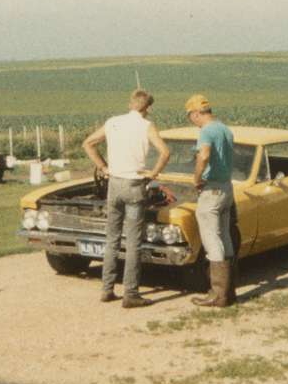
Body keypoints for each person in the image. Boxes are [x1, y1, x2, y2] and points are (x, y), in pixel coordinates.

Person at [82, 90, 170, 308]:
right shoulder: (147, 126)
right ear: (148, 107)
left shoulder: (113, 122)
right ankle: (131, 293)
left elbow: (88, 143)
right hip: (134, 187)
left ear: (130, 103)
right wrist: (154, 173)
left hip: (114, 185)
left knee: (111, 238)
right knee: (133, 242)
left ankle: (107, 288)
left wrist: (103, 167)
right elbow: (165, 152)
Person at [185, 94, 237, 307]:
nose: (192, 120)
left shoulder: (206, 131)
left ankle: (217, 294)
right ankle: (229, 290)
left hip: (211, 189)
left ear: (196, 113)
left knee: (211, 239)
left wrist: (197, 178)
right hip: (226, 188)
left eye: (191, 116)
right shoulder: (224, 128)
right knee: (224, 237)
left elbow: (204, 155)